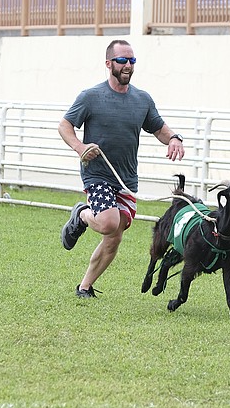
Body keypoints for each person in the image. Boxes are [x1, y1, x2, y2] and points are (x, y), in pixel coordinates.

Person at [58, 39, 185, 298]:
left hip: (126, 179)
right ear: (109, 64)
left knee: (115, 234)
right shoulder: (91, 97)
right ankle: (82, 214)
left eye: (132, 60)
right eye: (122, 60)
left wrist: (174, 138)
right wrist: (80, 147)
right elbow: (65, 126)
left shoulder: (142, 99)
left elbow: (159, 128)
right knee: (107, 222)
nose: (128, 65)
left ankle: (85, 286)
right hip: (98, 174)